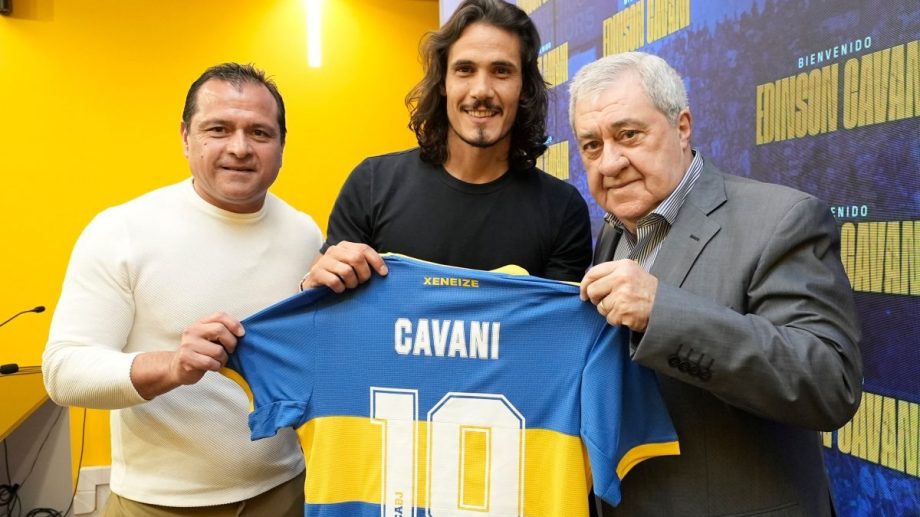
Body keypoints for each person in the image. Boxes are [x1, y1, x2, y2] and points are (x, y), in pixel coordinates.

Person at [570, 52, 863, 516]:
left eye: (628, 135)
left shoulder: (782, 219)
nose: (609, 162)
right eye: (591, 145)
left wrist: (661, 313)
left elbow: (828, 383)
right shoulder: (613, 233)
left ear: (682, 127)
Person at [42, 63, 321, 516]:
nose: (239, 148)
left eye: (259, 133)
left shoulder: (305, 234)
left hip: (286, 490)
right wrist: (172, 366)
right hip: (157, 504)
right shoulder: (121, 230)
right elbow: (63, 372)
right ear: (186, 137)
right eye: (218, 129)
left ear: (282, 147)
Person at [303, 0, 592, 292]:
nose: (481, 90)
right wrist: (312, 286)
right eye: (465, 70)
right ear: (443, 82)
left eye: (501, 71)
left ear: (525, 87)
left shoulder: (562, 210)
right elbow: (328, 309)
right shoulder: (371, 186)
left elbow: (559, 321)